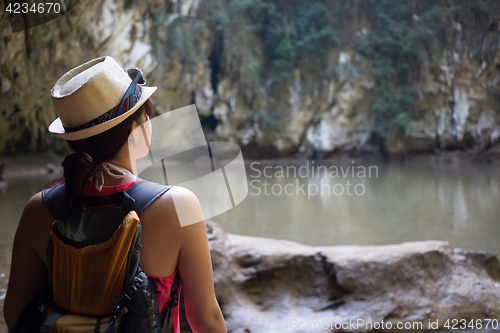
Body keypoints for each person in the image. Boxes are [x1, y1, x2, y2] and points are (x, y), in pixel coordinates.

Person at [3, 56, 226, 333]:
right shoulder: (178, 205)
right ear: (135, 130)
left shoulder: (39, 209)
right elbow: (206, 320)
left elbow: (15, 313)